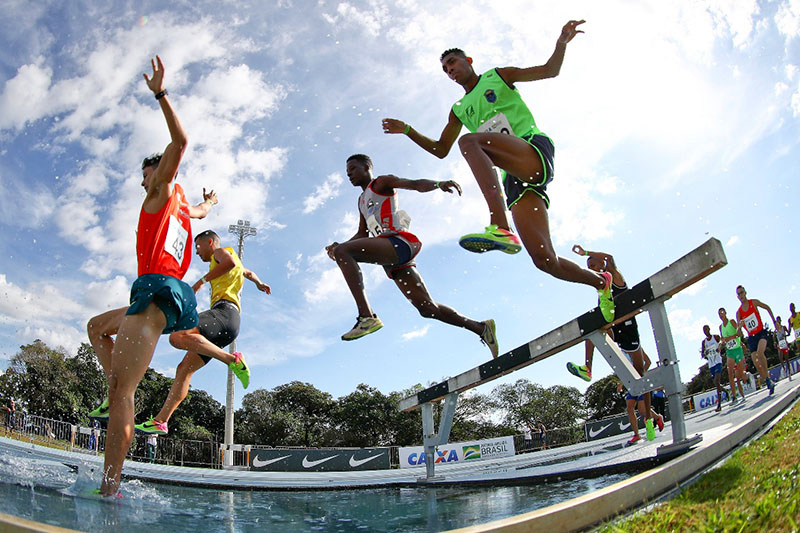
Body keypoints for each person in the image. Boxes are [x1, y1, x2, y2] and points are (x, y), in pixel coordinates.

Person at [381, 21, 615, 324]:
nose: (450, 70)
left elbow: (549, 70)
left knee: (470, 140)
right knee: (545, 260)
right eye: (445, 69)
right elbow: (440, 149)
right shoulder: (459, 108)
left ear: (469, 61)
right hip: (514, 177)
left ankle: (499, 224)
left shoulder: (498, 76)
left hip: (532, 149)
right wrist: (408, 130)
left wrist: (562, 42)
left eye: (452, 62)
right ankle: (602, 283)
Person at [95, 56, 199, 498]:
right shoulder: (183, 207)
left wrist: (160, 94)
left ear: (162, 174)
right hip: (163, 295)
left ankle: (109, 490)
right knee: (97, 328)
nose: (143, 185)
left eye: (147, 176)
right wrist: (209, 203)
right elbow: (201, 210)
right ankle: (121, 380)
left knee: (123, 395)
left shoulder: (162, 190)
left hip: (157, 290)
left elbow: (181, 139)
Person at [325, 154, 499, 357]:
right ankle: (480, 327)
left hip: (399, 243)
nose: (349, 174)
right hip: (389, 256)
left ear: (366, 167)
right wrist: (341, 246)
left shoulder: (381, 183)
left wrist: (438, 184)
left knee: (343, 252)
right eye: (347, 172)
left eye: (353, 169)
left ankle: (367, 316)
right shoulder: (361, 201)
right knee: (427, 308)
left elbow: (415, 184)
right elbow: (362, 234)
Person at [134, 229, 271, 435]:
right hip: (230, 325)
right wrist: (259, 283)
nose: (197, 252)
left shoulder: (221, 253)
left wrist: (200, 282)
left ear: (210, 242)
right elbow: (247, 272)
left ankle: (231, 360)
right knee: (184, 369)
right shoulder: (235, 262)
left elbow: (230, 264)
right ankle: (161, 421)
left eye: (198, 246)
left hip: (223, 313)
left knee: (177, 336)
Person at [566, 247, 664, 439]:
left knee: (641, 373)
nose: (592, 270)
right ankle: (587, 368)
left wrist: (586, 252)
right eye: (589, 268)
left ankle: (651, 419)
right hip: (613, 326)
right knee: (591, 329)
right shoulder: (599, 283)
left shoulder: (615, 275)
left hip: (627, 329)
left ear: (602, 263)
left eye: (594, 265)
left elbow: (610, 257)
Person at [735, 285, 777, 395]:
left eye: (742, 292)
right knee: (755, 361)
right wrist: (739, 327)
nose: (741, 295)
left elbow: (767, 307)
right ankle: (768, 380)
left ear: (745, 293)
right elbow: (739, 334)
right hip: (752, 337)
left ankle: (767, 377)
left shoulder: (754, 303)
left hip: (761, 333)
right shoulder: (739, 313)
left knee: (760, 352)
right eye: (738, 294)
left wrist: (774, 321)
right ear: (737, 297)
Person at [719, 307, 747, 404]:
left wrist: (730, 338)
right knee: (730, 373)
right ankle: (734, 397)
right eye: (719, 314)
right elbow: (722, 339)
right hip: (730, 351)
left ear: (726, 313)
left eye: (722, 313)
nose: (721, 315)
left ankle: (745, 377)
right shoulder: (721, 327)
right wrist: (720, 343)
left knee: (739, 375)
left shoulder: (732, 321)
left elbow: (740, 334)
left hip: (737, 350)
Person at [700, 325, 724, 412]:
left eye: (706, 329)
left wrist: (719, 348)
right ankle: (725, 391)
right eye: (704, 330)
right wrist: (705, 353)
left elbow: (722, 342)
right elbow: (702, 354)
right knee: (717, 383)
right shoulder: (704, 342)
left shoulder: (715, 337)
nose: (705, 331)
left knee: (716, 381)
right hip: (711, 364)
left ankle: (719, 404)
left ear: (709, 329)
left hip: (718, 362)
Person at [774, 316, 792, 381]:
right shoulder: (775, 330)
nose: (778, 322)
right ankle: (784, 369)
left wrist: (785, 335)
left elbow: (789, 333)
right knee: (780, 358)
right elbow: (774, 339)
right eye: (777, 321)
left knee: (787, 359)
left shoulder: (783, 327)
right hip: (780, 344)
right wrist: (775, 343)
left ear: (780, 321)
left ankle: (789, 372)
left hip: (784, 342)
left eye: (779, 320)